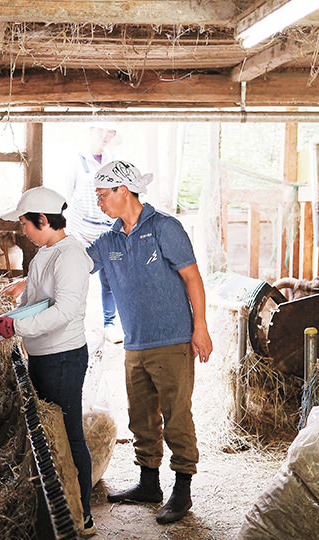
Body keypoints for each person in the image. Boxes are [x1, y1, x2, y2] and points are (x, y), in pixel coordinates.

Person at [86, 160, 213, 525]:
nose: (99, 203)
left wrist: (200, 327)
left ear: (123, 191)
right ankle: (149, 484)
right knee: (140, 417)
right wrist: (30, 282)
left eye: (102, 195)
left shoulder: (165, 228)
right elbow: (76, 264)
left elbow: (192, 277)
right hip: (135, 344)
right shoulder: (108, 240)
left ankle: (183, 489)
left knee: (176, 416)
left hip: (172, 340)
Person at [0, 186, 97, 536]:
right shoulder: (44, 254)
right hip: (43, 356)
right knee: (48, 434)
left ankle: (82, 514)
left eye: (26, 223)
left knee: (70, 436)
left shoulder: (69, 256)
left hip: (63, 358)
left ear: (43, 220)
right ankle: (62, 503)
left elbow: (65, 311)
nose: (22, 230)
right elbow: (30, 307)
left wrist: (16, 326)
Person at [62, 123, 123, 342]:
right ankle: (72, 322)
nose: (106, 135)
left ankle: (110, 323)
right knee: (77, 277)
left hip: (106, 230)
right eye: (101, 130)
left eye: (111, 132)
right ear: (89, 130)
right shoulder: (76, 160)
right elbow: (67, 197)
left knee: (110, 278)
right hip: (80, 232)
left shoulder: (114, 160)